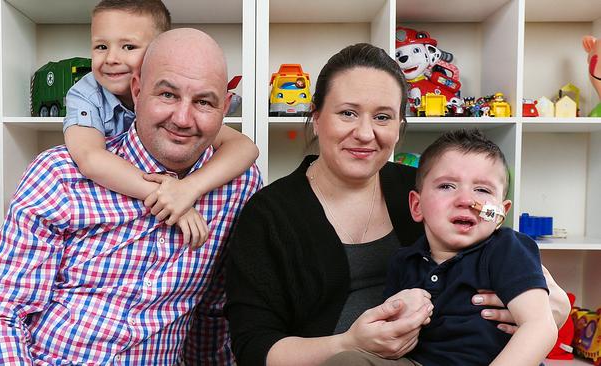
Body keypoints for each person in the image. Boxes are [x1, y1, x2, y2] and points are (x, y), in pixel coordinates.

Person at [224, 43, 569, 366]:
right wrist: (347, 342)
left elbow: (513, 262)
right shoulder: (269, 214)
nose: (364, 132)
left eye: (383, 117)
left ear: (400, 126)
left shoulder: (433, 190)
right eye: (347, 113)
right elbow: (253, 347)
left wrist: (553, 307)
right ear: (316, 116)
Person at [0, 28, 261, 365]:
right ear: (137, 89)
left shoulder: (237, 185)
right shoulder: (60, 174)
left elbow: (213, 313)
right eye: (167, 95)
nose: (182, 119)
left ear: (225, 109)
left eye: (204, 102)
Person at [324, 129, 558, 365]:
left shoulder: (507, 248)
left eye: (483, 190)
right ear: (417, 206)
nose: (466, 200)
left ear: (500, 214)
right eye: (447, 186)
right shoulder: (405, 261)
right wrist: (400, 314)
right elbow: (391, 341)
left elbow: (540, 325)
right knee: (346, 361)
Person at [63, 0, 259, 248]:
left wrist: (189, 188)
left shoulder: (182, 110)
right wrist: (167, 195)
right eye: (101, 46)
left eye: (128, 46)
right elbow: (90, 158)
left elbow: (245, 148)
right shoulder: (86, 95)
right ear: (137, 90)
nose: (111, 58)